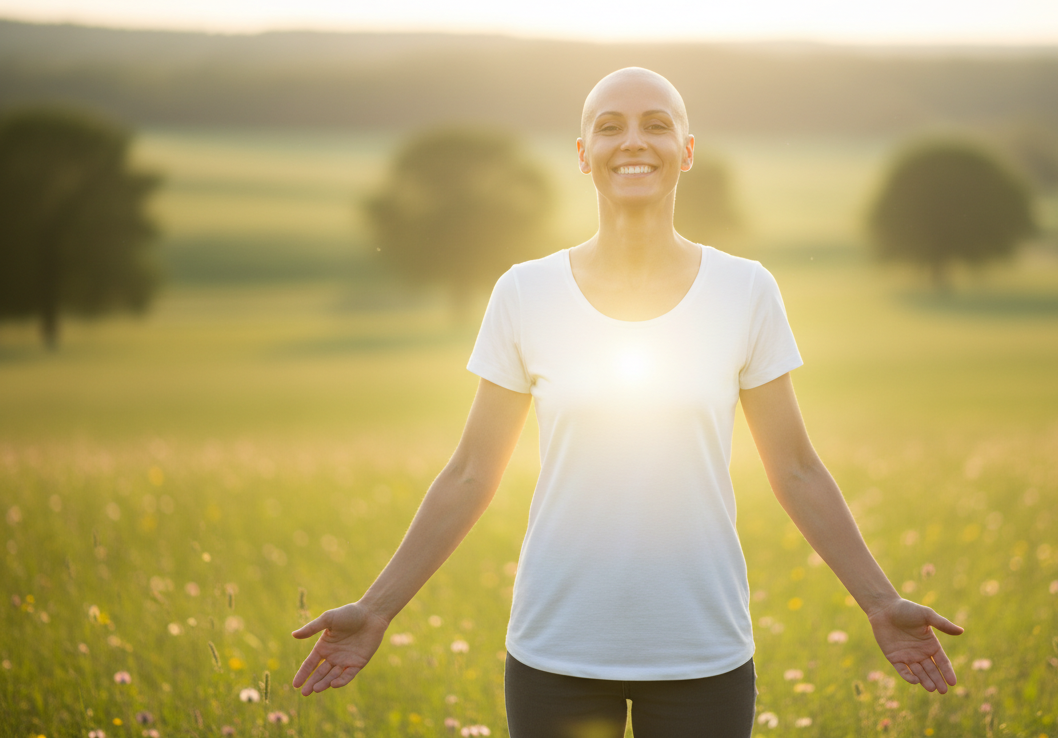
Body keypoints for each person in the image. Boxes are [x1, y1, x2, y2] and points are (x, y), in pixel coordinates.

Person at [291, 67, 964, 737]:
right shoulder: (524, 293)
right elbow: (471, 473)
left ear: (687, 151)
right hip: (556, 654)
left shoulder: (746, 291)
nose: (633, 142)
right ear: (584, 156)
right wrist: (377, 609)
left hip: (703, 654)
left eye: (656, 125)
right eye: (609, 127)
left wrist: (880, 603)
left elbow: (795, 470)